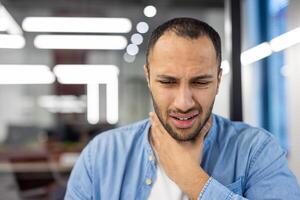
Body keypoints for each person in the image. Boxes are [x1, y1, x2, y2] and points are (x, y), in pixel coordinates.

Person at [65, 18, 300, 199]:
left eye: (200, 82)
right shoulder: (102, 155)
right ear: (148, 77)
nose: (184, 103)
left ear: (218, 79)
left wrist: (192, 179)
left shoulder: (256, 151)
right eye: (168, 82)